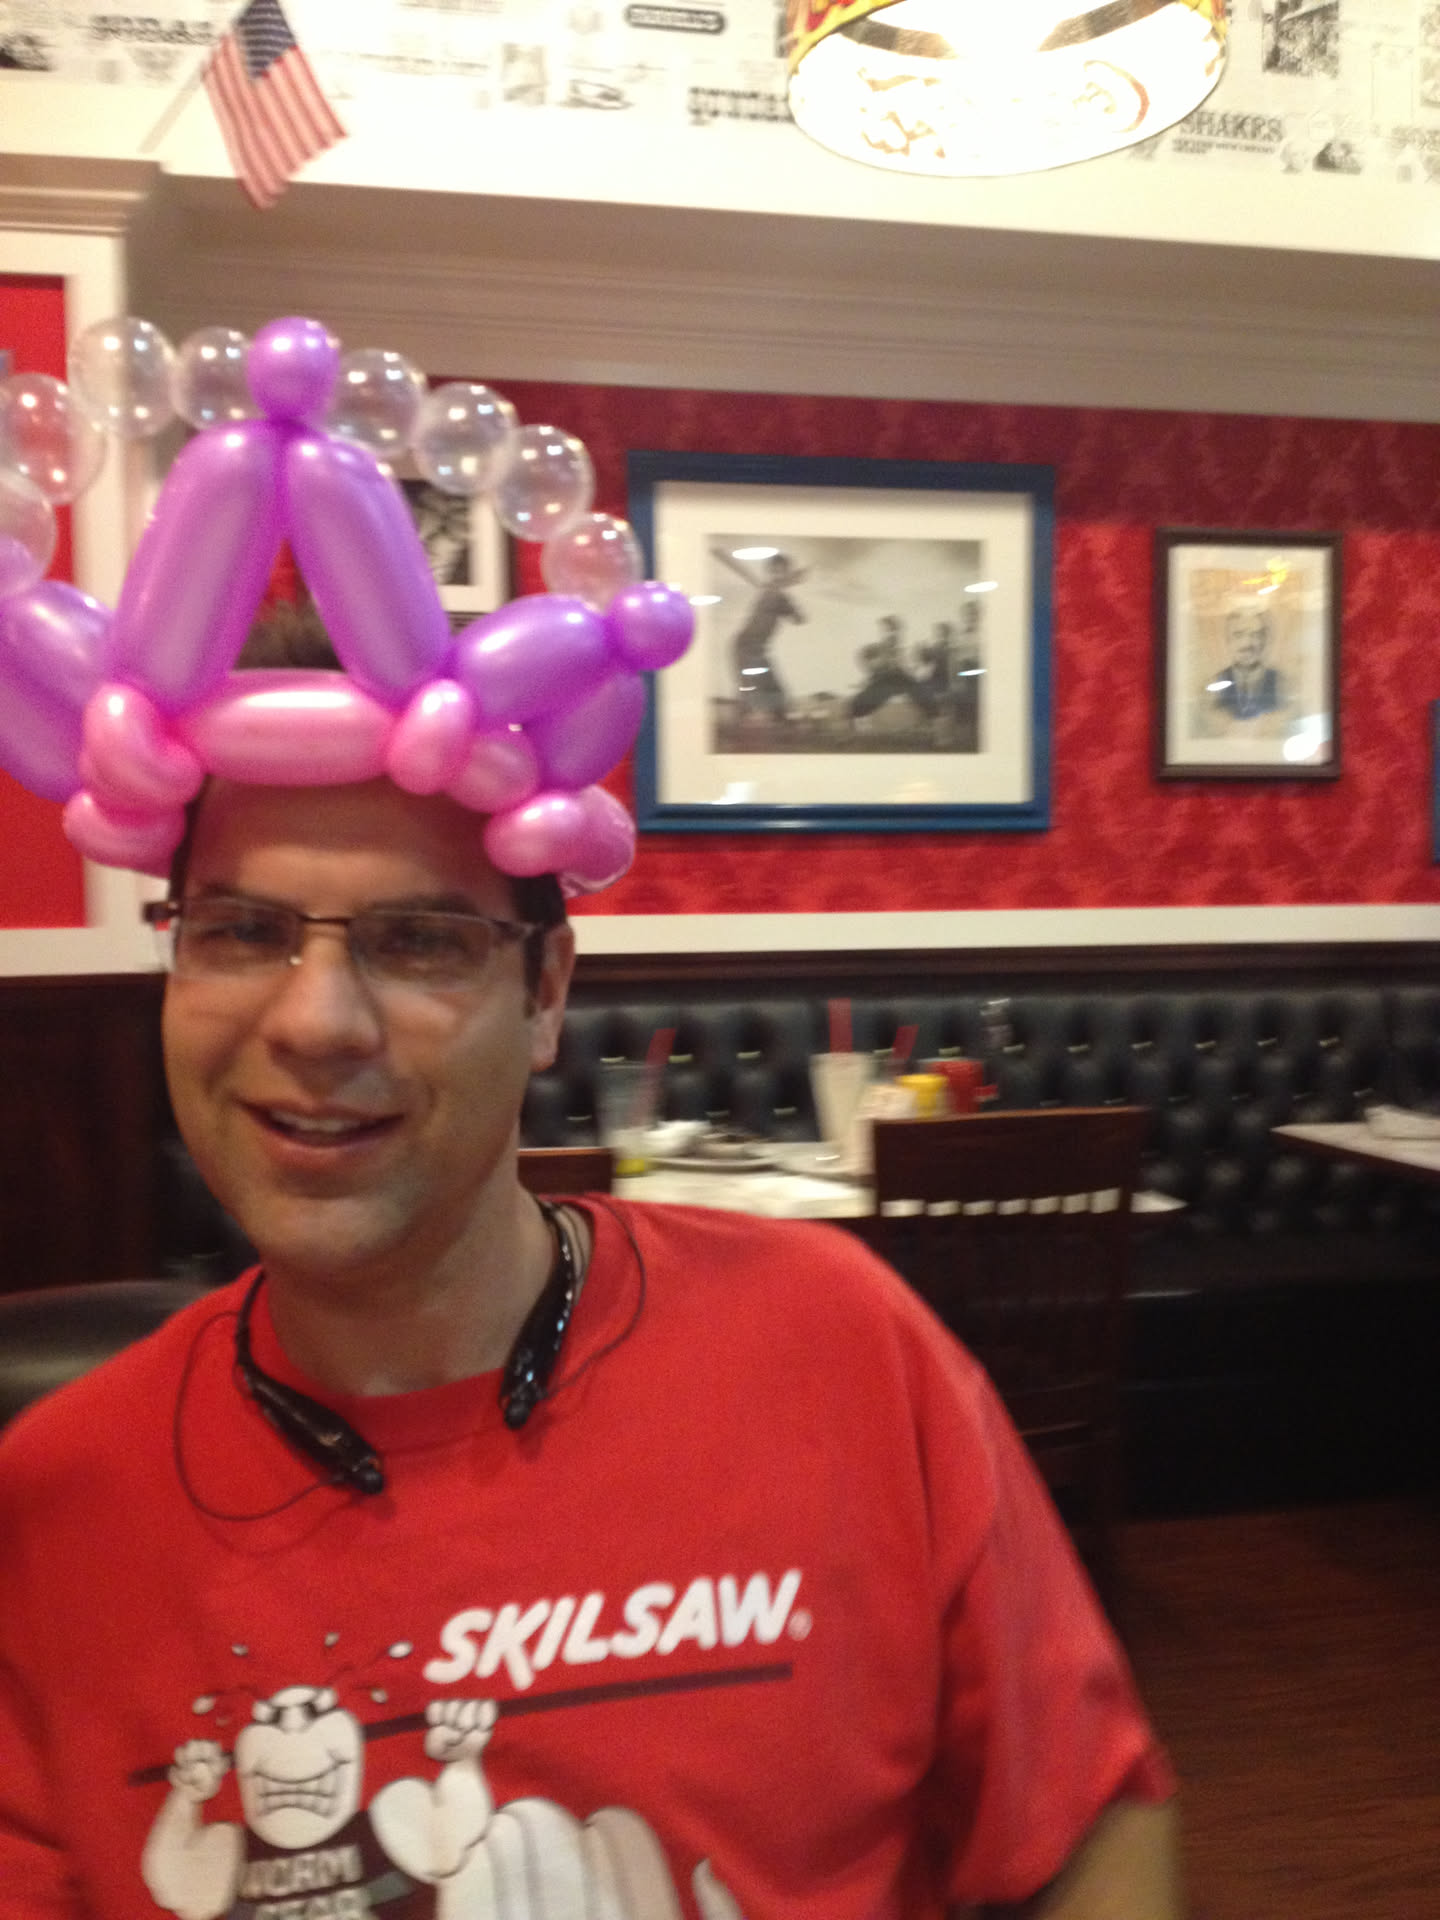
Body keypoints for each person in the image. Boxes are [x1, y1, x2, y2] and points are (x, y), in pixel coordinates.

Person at [0, 608, 1179, 1919]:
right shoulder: (52, 1507)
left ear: (547, 992)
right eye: (239, 929)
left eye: (419, 939)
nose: (316, 1020)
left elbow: (1087, 1828)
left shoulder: (841, 1346)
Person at [713, 547, 807, 723]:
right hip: (744, 646)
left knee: (776, 693)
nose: (778, 574)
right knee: (750, 691)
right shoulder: (769, 594)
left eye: (783, 571)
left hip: (759, 650)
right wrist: (790, 581)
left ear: (786, 572)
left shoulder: (781, 598)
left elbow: (800, 619)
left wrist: (792, 604)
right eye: (775, 571)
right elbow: (774, 593)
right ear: (770, 573)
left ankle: (780, 723)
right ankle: (741, 723)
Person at [1209, 600, 1283, 721]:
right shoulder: (1215, 683)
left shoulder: (1281, 684)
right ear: (1228, 640)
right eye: (1239, 635)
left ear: (1265, 640)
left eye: (1256, 635)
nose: (1247, 643)